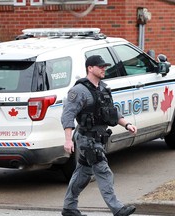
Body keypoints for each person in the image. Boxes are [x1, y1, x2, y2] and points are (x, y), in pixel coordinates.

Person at [61, 55, 137, 216]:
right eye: (100, 66)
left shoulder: (103, 88)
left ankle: (69, 208)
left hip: (99, 138)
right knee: (103, 170)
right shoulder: (79, 91)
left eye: (105, 66)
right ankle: (117, 208)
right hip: (86, 139)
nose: (104, 69)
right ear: (90, 68)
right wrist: (68, 141)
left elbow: (112, 113)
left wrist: (127, 124)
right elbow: (67, 115)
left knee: (83, 174)